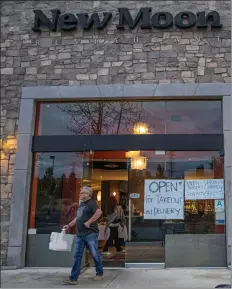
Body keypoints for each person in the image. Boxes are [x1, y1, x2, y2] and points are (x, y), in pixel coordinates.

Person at [62, 186, 104, 285]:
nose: (79, 194)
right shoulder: (81, 205)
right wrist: (69, 225)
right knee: (77, 256)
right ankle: (73, 278)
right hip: (80, 234)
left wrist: (89, 222)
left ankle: (99, 273)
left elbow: (99, 212)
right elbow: (78, 218)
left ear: (87, 194)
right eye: (80, 193)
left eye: (81, 193)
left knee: (95, 254)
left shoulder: (92, 203)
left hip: (90, 233)